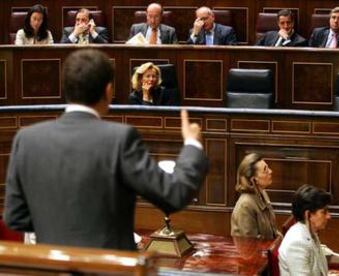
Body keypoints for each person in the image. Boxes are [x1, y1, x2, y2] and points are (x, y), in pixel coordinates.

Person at [3, 49, 209, 251]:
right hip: (109, 269)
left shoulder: (27, 139)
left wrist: (59, 228)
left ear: (66, 89)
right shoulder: (120, 139)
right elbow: (174, 194)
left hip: (52, 267)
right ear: (108, 90)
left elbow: (15, 218)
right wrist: (192, 145)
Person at [278, 184, 331, 276]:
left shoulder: (310, 232)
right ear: (308, 214)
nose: (328, 216)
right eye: (324, 212)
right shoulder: (297, 243)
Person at [231, 153, 279, 239]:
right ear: (253, 179)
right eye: (265, 170)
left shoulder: (262, 193)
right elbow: (250, 244)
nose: (270, 171)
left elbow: (273, 231)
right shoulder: (245, 205)